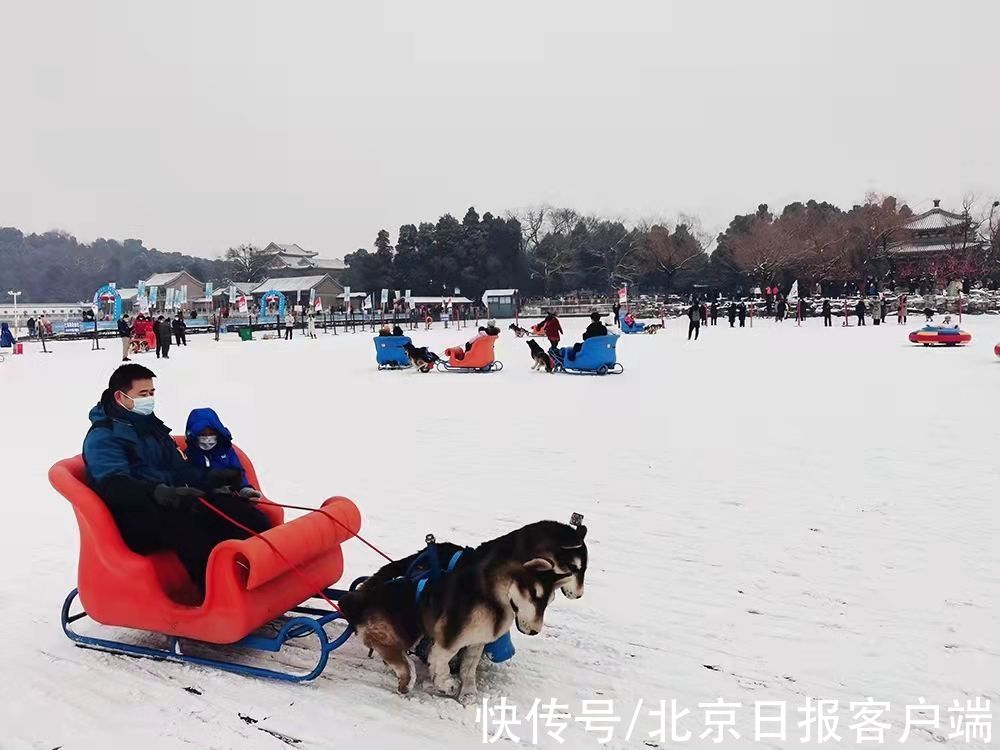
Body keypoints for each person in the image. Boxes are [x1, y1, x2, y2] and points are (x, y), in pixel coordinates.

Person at [82, 365, 270, 593]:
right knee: (189, 520)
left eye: (151, 393)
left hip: (169, 500)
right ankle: (217, 595)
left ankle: (268, 570)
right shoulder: (104, 437)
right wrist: (157, 492)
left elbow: (180, 469)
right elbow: (113, 485)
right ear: (121, 397)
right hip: (132, 517)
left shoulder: (152, 427)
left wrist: (211, 479)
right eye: (143, 394)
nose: (149, 399)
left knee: (230, 506)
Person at [184, 408, 259, 496]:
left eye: (211, 433)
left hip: (233, 495)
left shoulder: (227, 451)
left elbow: (239, 472)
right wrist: (213, 490)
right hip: (206, 499)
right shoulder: (189, 455)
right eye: (203, 434)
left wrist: (245, 489)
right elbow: (192, 480)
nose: (208, 438)